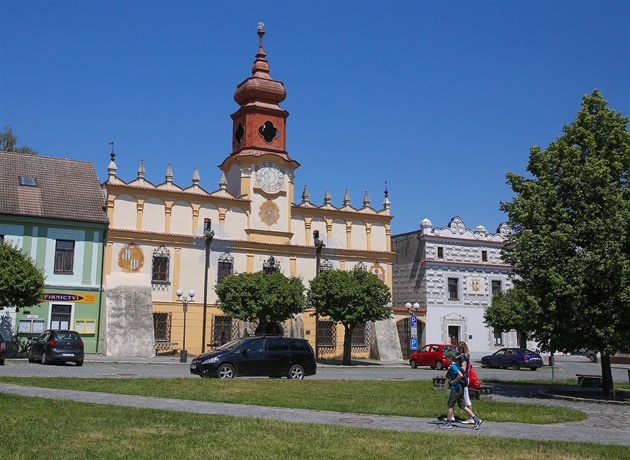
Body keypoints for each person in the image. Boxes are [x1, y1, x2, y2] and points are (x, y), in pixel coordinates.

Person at [441, 351, 483, 430]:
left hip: (456, 389)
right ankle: (476, 419)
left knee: (450, 404)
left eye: (447, 358)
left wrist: (453, 382)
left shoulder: (453, 366)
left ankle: (448, 423)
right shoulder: (455, 365)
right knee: (463, 406)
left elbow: (460, 375)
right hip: (460, 388)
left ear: (450, 358)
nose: (446, 359)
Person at [456, 341, 475, 424]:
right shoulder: (462, 356)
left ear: (462, 349)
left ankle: (471, 418)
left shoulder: (463, 357)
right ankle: (451, 415)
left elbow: (463, 368)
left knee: (466, 398)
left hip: (464, 378)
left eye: (458, 348)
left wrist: (455, 368)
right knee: (460, 397)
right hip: (464, 378)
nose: (457, 349)